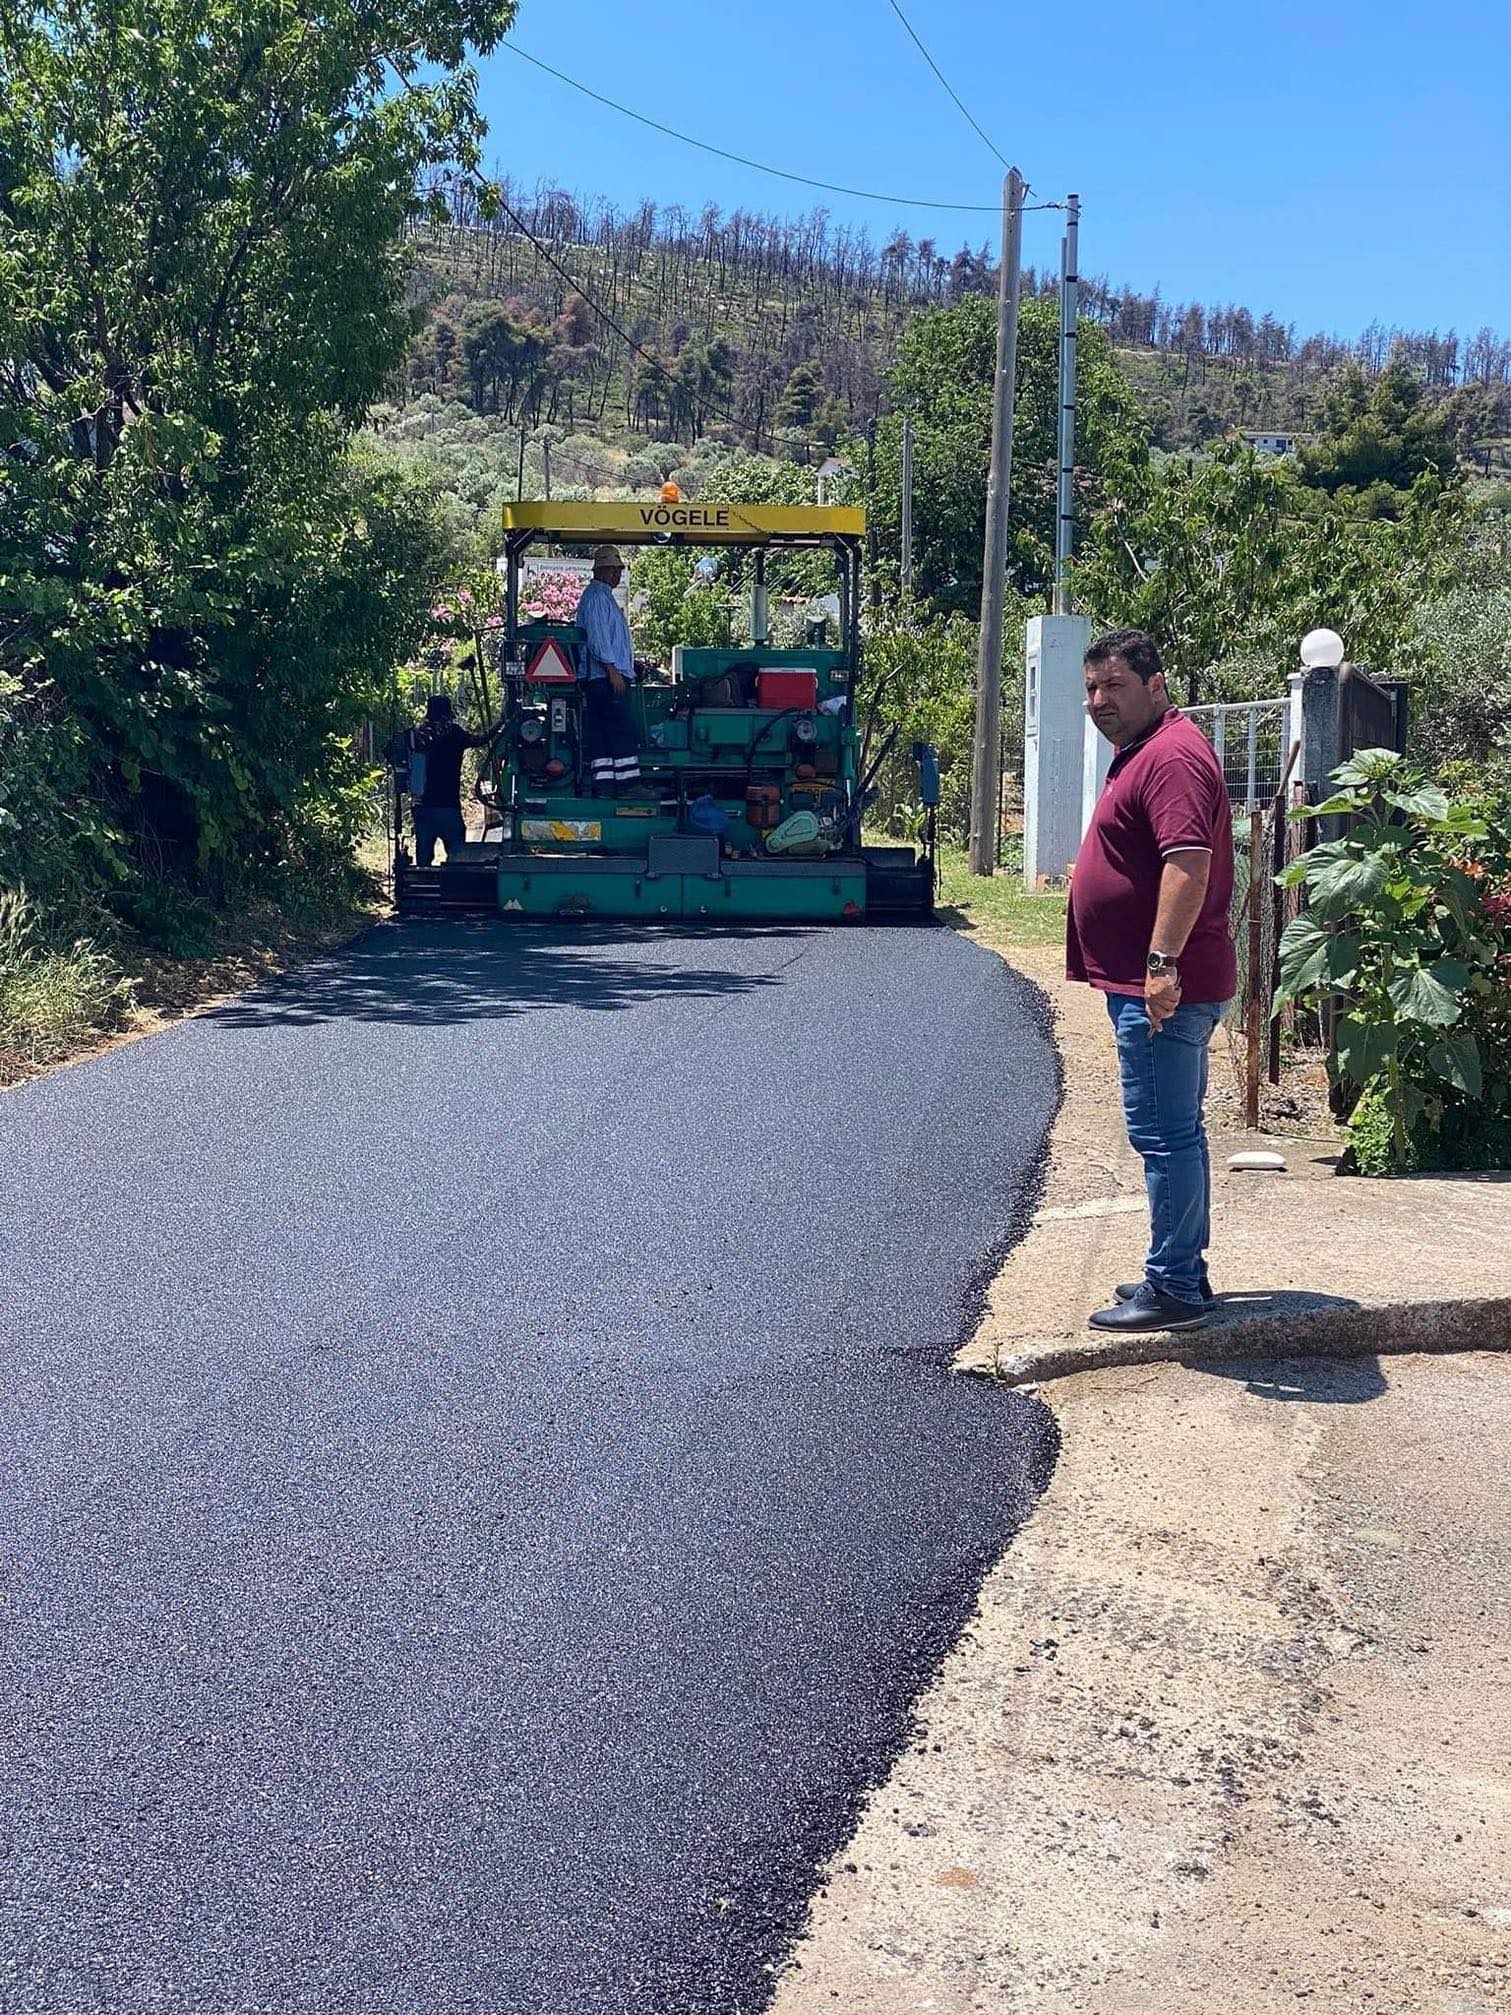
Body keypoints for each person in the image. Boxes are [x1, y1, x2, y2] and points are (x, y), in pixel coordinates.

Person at [1067, 629, 1237, 1334]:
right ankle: (1180, 1266)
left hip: (1164, 987)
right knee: (1173, 1130)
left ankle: (1173, 1289)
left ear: (1156, 685)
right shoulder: (1145, 750)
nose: (1098, 701)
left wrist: (1159, 966)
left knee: (1163, 1134)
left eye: (1114, 687)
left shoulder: (1169, 757)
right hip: (1154, 983)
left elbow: (1187, 865)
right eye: (1091, 689)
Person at [575, 545, 648, 796]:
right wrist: (612, 671)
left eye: (619, 570)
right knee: (621, 729)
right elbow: (598, 639)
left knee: (603, 733)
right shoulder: (596, 597)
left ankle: (604, 785)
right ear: (604, 571)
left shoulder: (603, 596)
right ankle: (630, 785)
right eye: (615, 570)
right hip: (605, 679)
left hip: (605, 676)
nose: (618, 575)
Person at [407, 693, 497, 866]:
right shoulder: (454, 734)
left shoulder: (418, 735)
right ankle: (452, 889)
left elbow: (392, 751)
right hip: (448, 806)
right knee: (458, 855)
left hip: (422, 807)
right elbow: (480, 740)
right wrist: (500, 724)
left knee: (423, 859)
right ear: (448, 713)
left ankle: (423, 884)